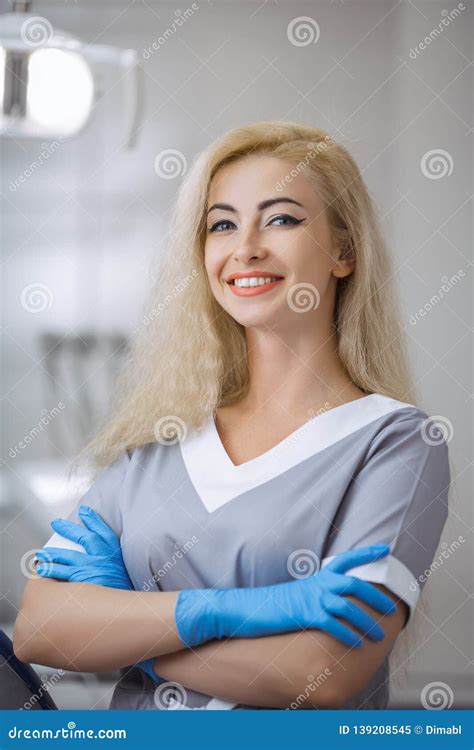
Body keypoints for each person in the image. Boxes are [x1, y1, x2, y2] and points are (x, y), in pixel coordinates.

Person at [14, 121, 450, 710]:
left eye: (282, 219)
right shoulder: (163, 440)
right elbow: (39, 630)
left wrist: (122, 635)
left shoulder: (394, 441)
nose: (245, 247)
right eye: (222, 224)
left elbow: (324, 674)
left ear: (344, 252)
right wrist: (232, 611)